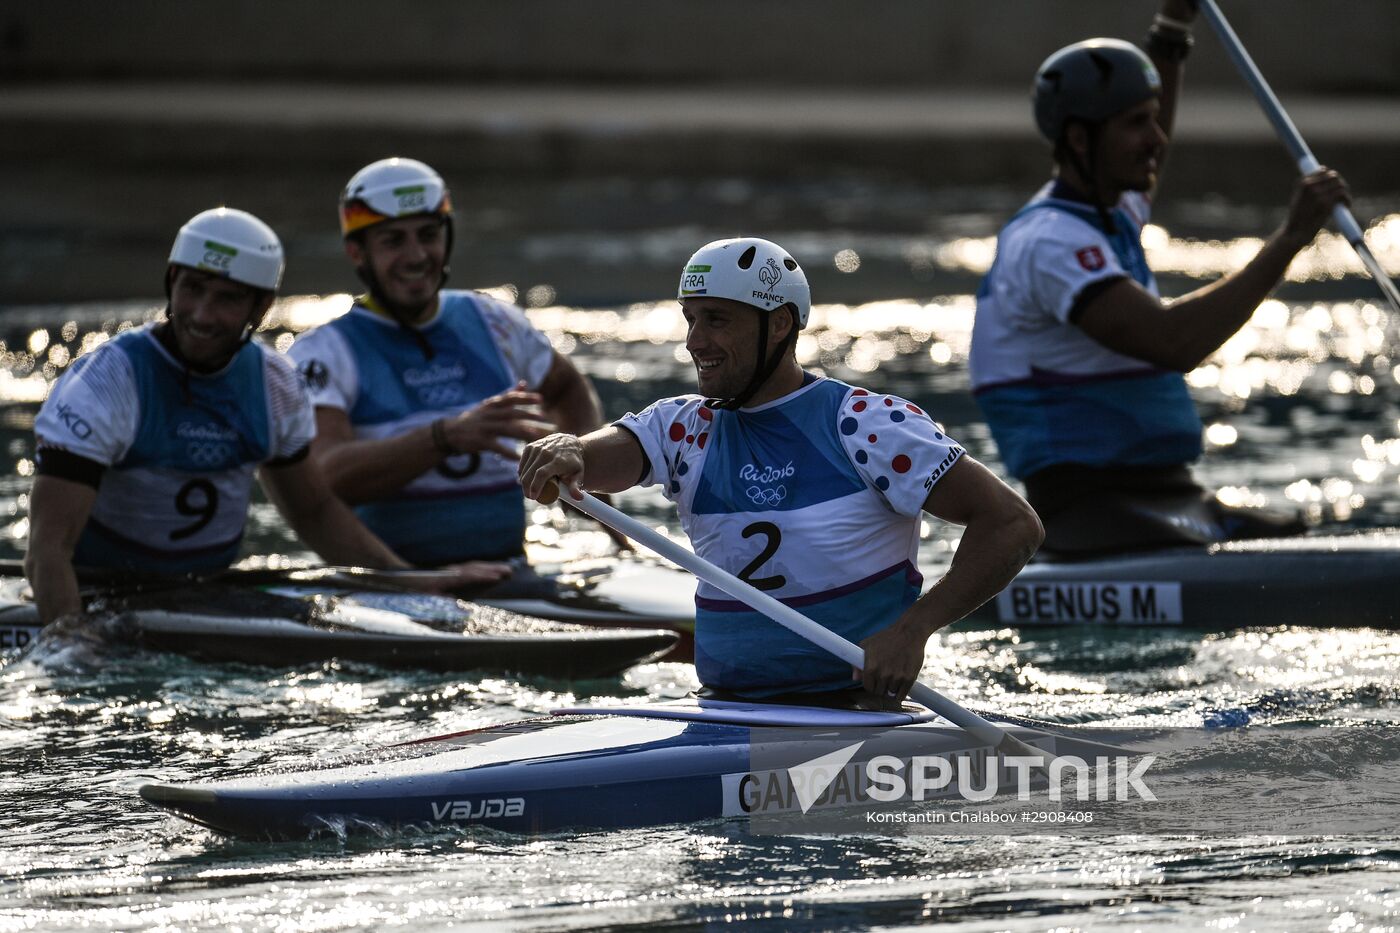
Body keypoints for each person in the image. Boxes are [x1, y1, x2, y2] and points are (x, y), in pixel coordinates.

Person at [518, 237, 1042, 704]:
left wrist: (914, 630)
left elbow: (1013, 523)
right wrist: (569, 449)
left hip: (850, 708)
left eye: (717, 319)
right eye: (691, 318)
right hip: (723, 708)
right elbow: (600, 455)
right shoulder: (685, 427)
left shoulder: (866, 425)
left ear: (781, 324)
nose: (694, 341)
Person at [969, 2, 1353, 556]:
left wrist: (1173, 30)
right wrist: (1291, 237)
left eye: (1153, 118)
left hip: (1170, 495)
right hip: (1086, 510)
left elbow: (1153, 129)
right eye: (1135, 123)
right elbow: (1172, 344)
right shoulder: (1049, 240)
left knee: (1298, 534)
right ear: (1079, 140)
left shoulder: (1110, 209)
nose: (1157, 139)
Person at [25, 207, 506, 626]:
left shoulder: (275, 385)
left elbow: (314, 513)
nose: (202, 314)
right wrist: (72, 641)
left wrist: (414, 584)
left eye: (228, 298)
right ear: (172, 281)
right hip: (97, 591)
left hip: (208, 590)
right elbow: (49, 548)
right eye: (193, 289)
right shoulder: (106, 383)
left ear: (261, 307)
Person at [288, 157, 614, 567]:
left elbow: (567, 388)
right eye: (393, 241)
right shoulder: (321, 353)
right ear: (357, 253)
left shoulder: (493, 319)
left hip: (510, 574)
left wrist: (579, 470)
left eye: (428, 235)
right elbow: (323, 478)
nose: (417, 256)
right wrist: (446, 437)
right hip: (392, 588)